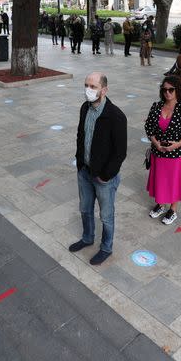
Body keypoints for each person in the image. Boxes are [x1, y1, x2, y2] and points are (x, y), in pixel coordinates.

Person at [70, 72, 128, 266]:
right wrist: (80, 163)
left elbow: (120, 152)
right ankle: (87, 238)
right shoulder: (84, 109)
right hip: (85, 171)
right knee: (85, 209)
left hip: (104, 177)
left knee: (106, 216)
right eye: (87, 85)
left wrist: (106, 175)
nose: (88, 90)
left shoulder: (116, 116)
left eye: (93, 87)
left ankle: (106, 248)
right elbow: (81, 135)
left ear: (104, 90)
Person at [145, 76, 181, 224]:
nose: (167, 93)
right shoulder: (156, 106)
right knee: (160, 180)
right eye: (164, 90)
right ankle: (160, 204)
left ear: (177, 90)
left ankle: (173, 209)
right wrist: (156, 143)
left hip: (175, 154)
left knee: (173, 182)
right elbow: (149, 127)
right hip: (158, 151)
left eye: (171, 89)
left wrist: (175, 146)